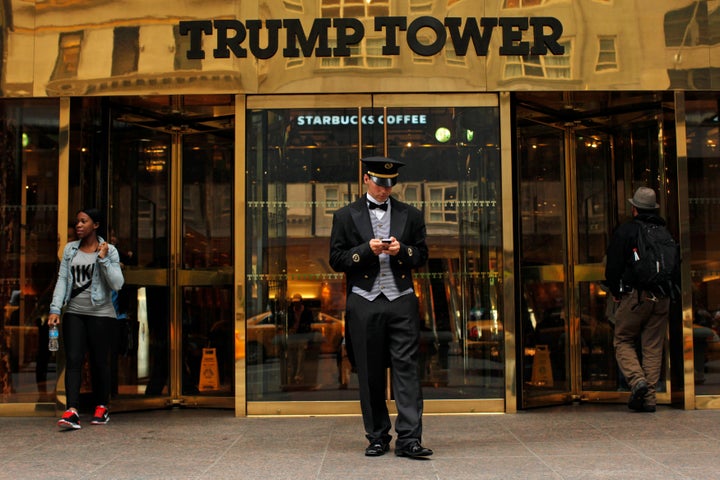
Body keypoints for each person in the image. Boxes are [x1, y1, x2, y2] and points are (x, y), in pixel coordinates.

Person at [329, 156, 432, 458]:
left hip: (401, 299)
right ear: (365, 179)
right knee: (370, 371)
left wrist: (404, 251)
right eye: (378, 183)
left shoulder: (410, 214)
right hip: (364, 301)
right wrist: (364, 252)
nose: (384, 190)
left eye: (390, 185)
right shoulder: (345, 215)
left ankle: (409, 439)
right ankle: (377, 436)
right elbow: (336, 259)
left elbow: (422, 254)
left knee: (407, 370)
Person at [48, 208, 125, 429]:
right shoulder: (70, 250)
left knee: (99, 362)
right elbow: (63, 280)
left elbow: (117, 284)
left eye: (84, 221)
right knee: (73, 359)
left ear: (96, 225)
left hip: (101, 313)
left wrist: (102, 261)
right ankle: (72, 410)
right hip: (74, 312)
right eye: (77, 222)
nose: (78, 225)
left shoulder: (109, 251)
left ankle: (102, 406)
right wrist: (55, 308)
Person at [604, 187, 675, 413]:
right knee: (653, 347)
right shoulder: (664, 233)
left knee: (622, 339)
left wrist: (615, 290)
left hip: (635, 296)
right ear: (654, 208)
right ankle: (649, 400)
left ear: (634, 208)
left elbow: (613, 266)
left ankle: (637, 382)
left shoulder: (626, 231)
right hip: (661, 296)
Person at [286, 293, 314, 384]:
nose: (296, 304)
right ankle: (293, 373)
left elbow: (310, 324)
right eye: (294, 303)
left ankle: (298, 375)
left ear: (301, 302)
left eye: (297, 303)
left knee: (301, 356)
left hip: (302, 336)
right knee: (292, 356)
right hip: (293, 336)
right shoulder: (290, 312)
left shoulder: (307, 312)